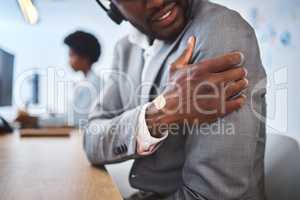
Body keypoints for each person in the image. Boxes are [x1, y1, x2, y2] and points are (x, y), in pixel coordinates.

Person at [84, 0, 266, 199]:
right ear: (113, 7)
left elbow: (212, 196)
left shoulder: (222, 32)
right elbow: (91, 140)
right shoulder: (126, 48)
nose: (158, 1)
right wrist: (156, 116)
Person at [16, 31, 102, 128]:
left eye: (71, 55)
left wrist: (36, 120)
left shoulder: (92, 85)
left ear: (84, 57)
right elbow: (74, 116)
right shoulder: (88, 82)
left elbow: (75, 121)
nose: (68, 60)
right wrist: (54, 117)